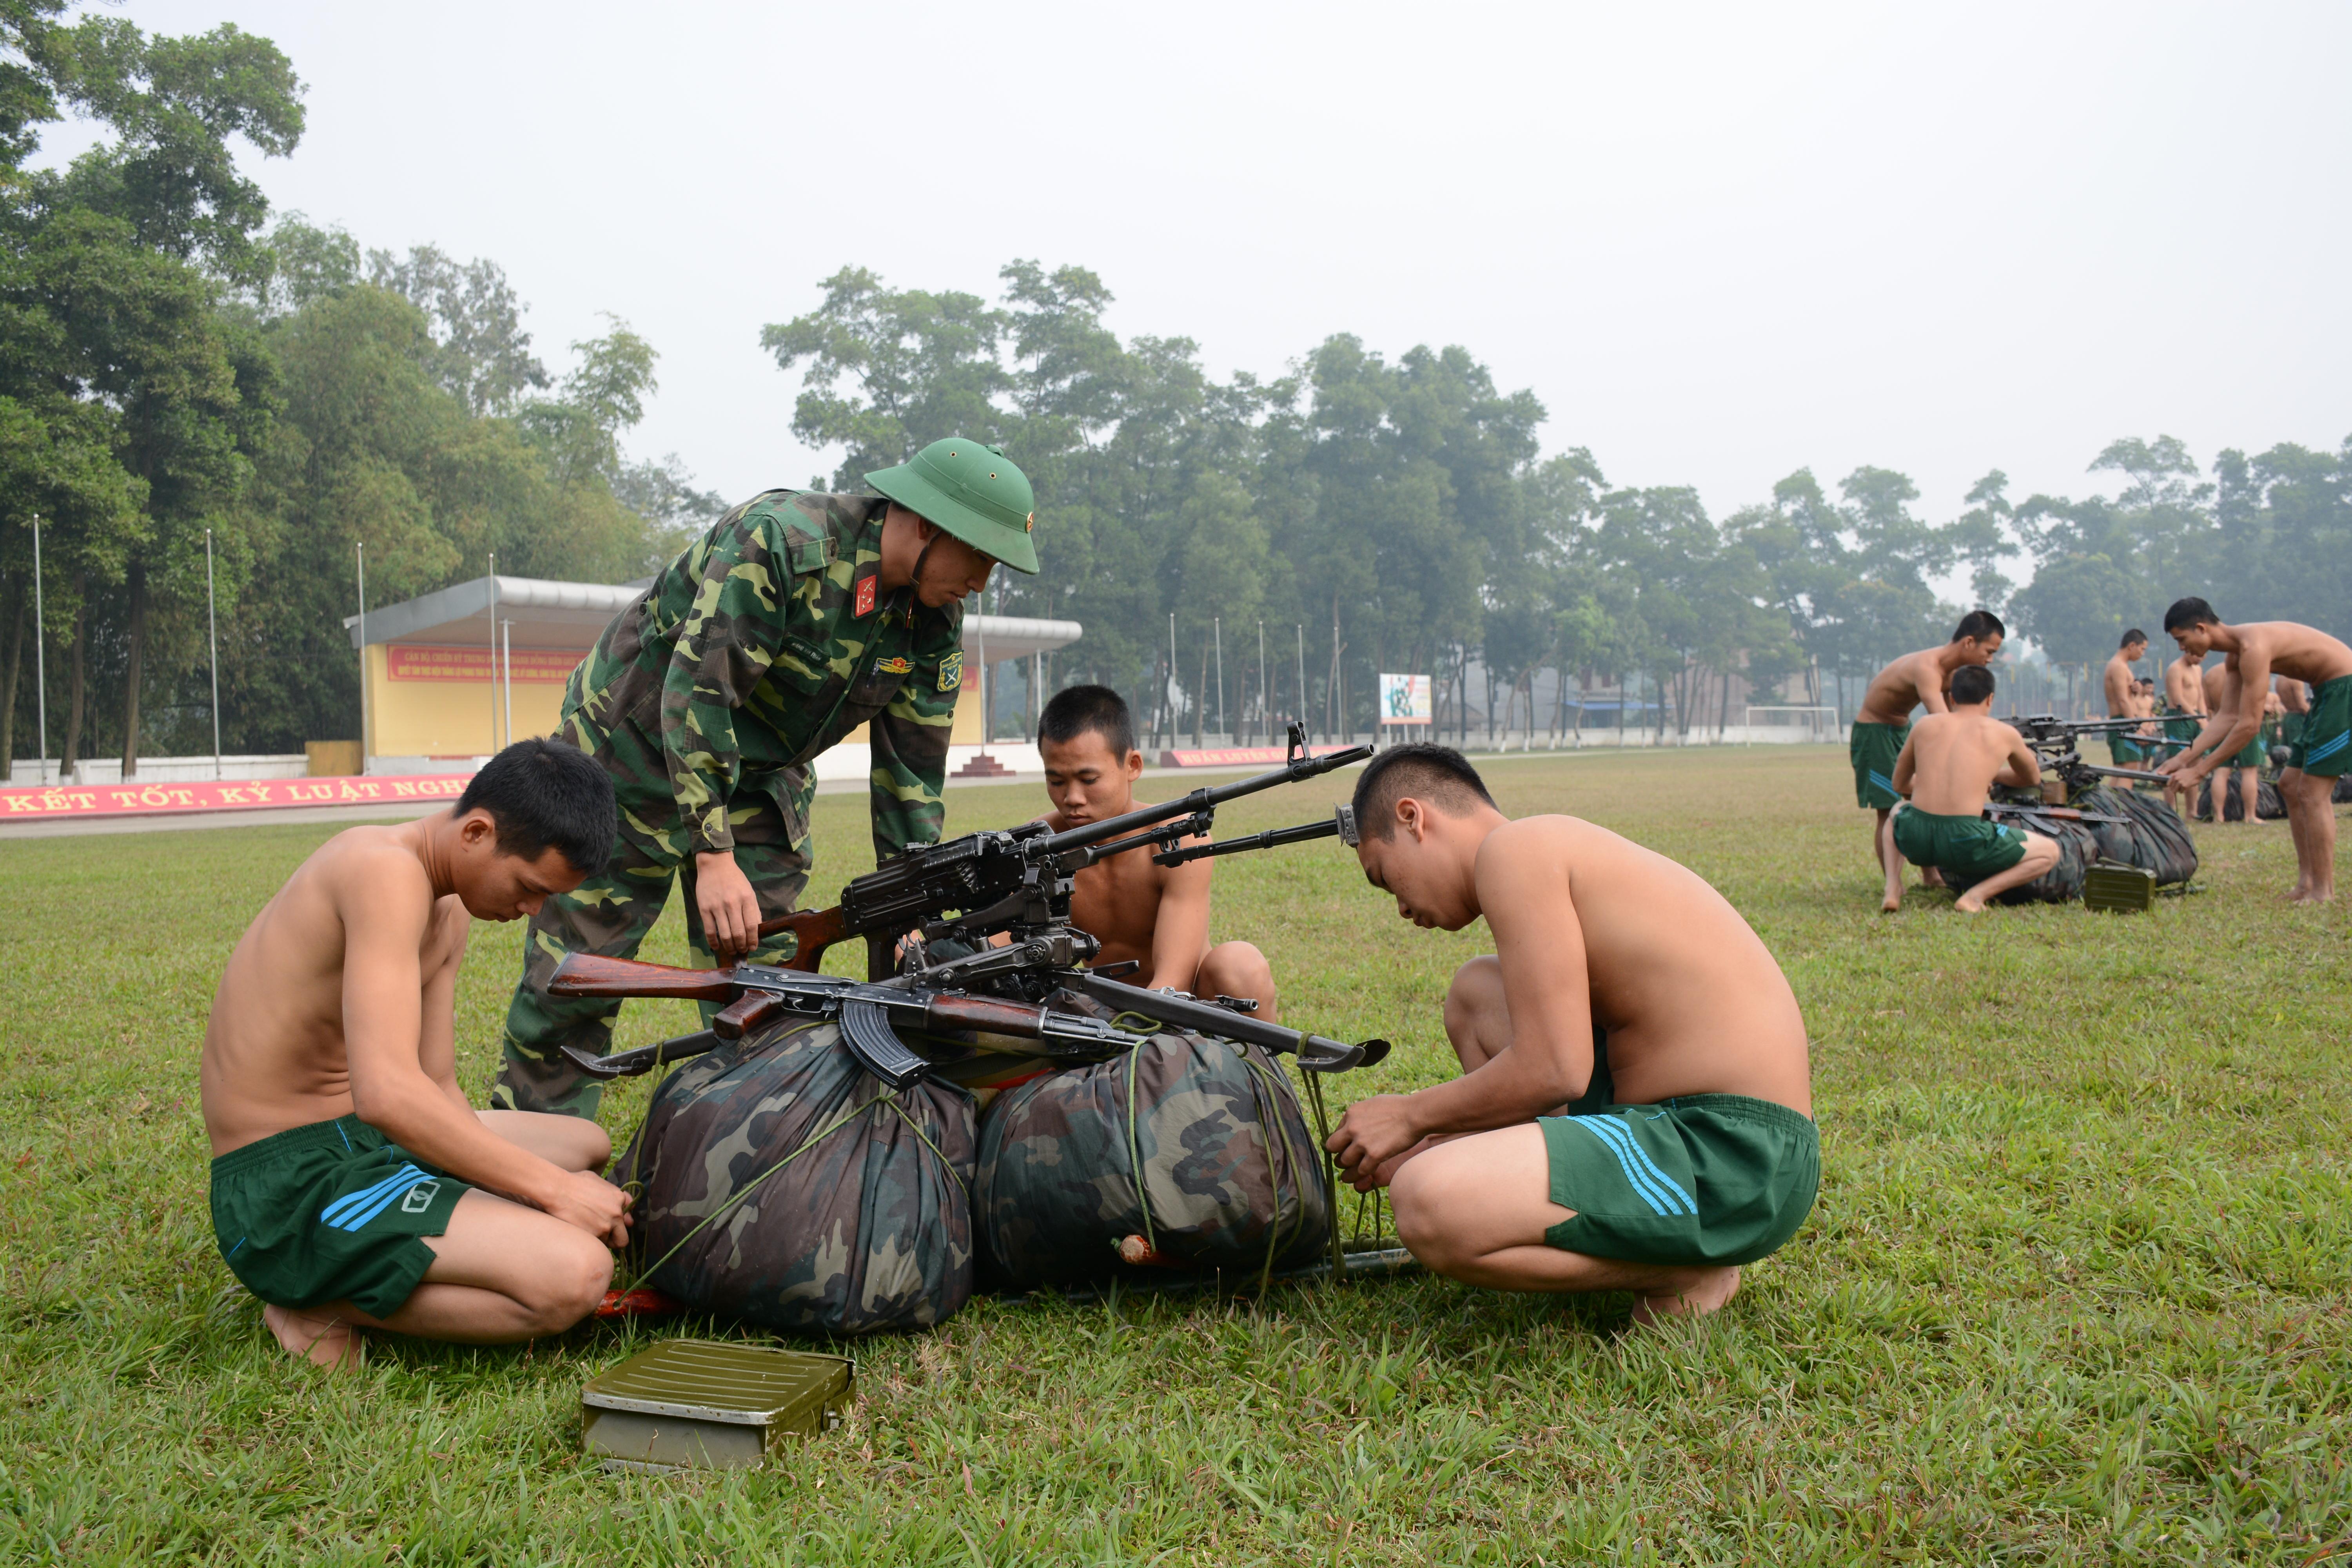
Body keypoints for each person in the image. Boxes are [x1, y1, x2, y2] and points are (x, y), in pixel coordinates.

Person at [495, 439, 1042, 1114]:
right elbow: (699, 695)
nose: (983, 581)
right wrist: (713, 855)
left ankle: (741, 1161)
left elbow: (913, 780)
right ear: (928, 523)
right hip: (630, 752)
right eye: (982, 556)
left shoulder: (932, 623)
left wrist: (913, 911)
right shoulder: (782, 542)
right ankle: (531, 1161)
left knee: (771, 989)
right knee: (574, 978)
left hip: (761, 776)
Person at [1322, 745, 1816, 1323]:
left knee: (1427, 1202)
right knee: (1478, 994)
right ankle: (1564, 1206)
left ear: (1413, 817)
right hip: (1697, 1131)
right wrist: (1437, 1141)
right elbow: (1553, 1057)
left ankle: (1684, 1272)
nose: (1400, 908)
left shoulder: (1515, 852)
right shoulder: (1541, 848)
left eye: (1385, 877)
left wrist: (1410, 1117)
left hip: (1733, 1152)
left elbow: (1553, 1069)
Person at [202, 741, 631, 1370]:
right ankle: (315, 1297)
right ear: (478, 832)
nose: (532, 912)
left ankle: (421, 1228)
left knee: (583, 1143)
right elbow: (387, 1095)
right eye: (530, 887)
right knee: (576, 1276)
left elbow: (435, 1084)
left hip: (362, 1141)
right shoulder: (381, 871)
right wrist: (553, 1195)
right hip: (287, 1182)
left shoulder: (447, 904)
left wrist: (525, 1187)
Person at [1031, 684, 1276, 1015]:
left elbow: (1172, 983)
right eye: (1057, 782)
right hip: (1092, 1011)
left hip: (1184, 1006)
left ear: (1132, 766)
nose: (1072, 798)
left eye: (1088, 780)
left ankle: (1258, 1069)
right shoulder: (1039, 847)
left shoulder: (1177, 837)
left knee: (1241, 966)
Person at [2156, 599, 2352, 901]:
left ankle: (2323, 891)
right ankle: (2306, 884)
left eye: (2182, 640)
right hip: (2326, 691)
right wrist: (2184, 758)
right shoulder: (2234, 657)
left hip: (2344, 689)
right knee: (2288, 785)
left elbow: (2249, 725)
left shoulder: (2253, 648)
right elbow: (2227, 716)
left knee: (2313, 793)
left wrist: (2200, 771)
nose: (2182, 648)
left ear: (2201, 628)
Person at [1850, 610, 2006, 912]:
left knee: (1922, 799)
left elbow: (1959, 718)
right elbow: (1947, 723)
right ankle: (1892, 882)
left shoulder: (1953, 674)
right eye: (1989, 652)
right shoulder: (1928, 668)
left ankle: (1930, 874)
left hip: (1902, 730)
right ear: (1969, 643)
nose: (1990, 660)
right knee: (1888, 806)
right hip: (1876, 734)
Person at [1884, 666, 2062, 912]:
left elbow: (1899, 785)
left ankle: (1893, 888)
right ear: (1990, 699)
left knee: (1897, 810)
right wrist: (1990, 776)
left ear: (1952, 698)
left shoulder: (1924, 725)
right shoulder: (2005, 733)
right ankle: (1976, 897)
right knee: (2050, 852)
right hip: (1966, 842)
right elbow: (2031, 778)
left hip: (1918, 838)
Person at [2201, 659, 2270, 825]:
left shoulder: (2210, 675)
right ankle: (2250, 815)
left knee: (2221, 771)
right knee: (2249, 772)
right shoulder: (2248, 669)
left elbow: (2209, 705)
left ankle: (2219, 816)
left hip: (2220, 724)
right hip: (2244, 723)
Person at [2161, 644, 2210, 814]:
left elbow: (2201, 696)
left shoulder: (2198, 669)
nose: (2200, 659)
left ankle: (2192, 811)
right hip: (2179, 719)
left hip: (2196, 717)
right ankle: (2170, 810)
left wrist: (2203, 718)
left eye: (2202, 656)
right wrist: (2197, 718)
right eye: (2197, 655)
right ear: (2187, 650)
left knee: (2195, 764)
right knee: (2176, 763)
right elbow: (2177, 699)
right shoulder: (2175, 669)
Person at [2104, 629, 2151, 769]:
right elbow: (2122, 701)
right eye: (2142, 649)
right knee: (2129, 769)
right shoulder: (2118, 666)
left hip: (2125, 721)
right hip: (2124, 723)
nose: (2142, 654)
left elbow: (2127, 697)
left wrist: (2135, 691)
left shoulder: (2122, 666)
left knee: (2124, 769)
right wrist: (2136, 728)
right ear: (2132, 646)